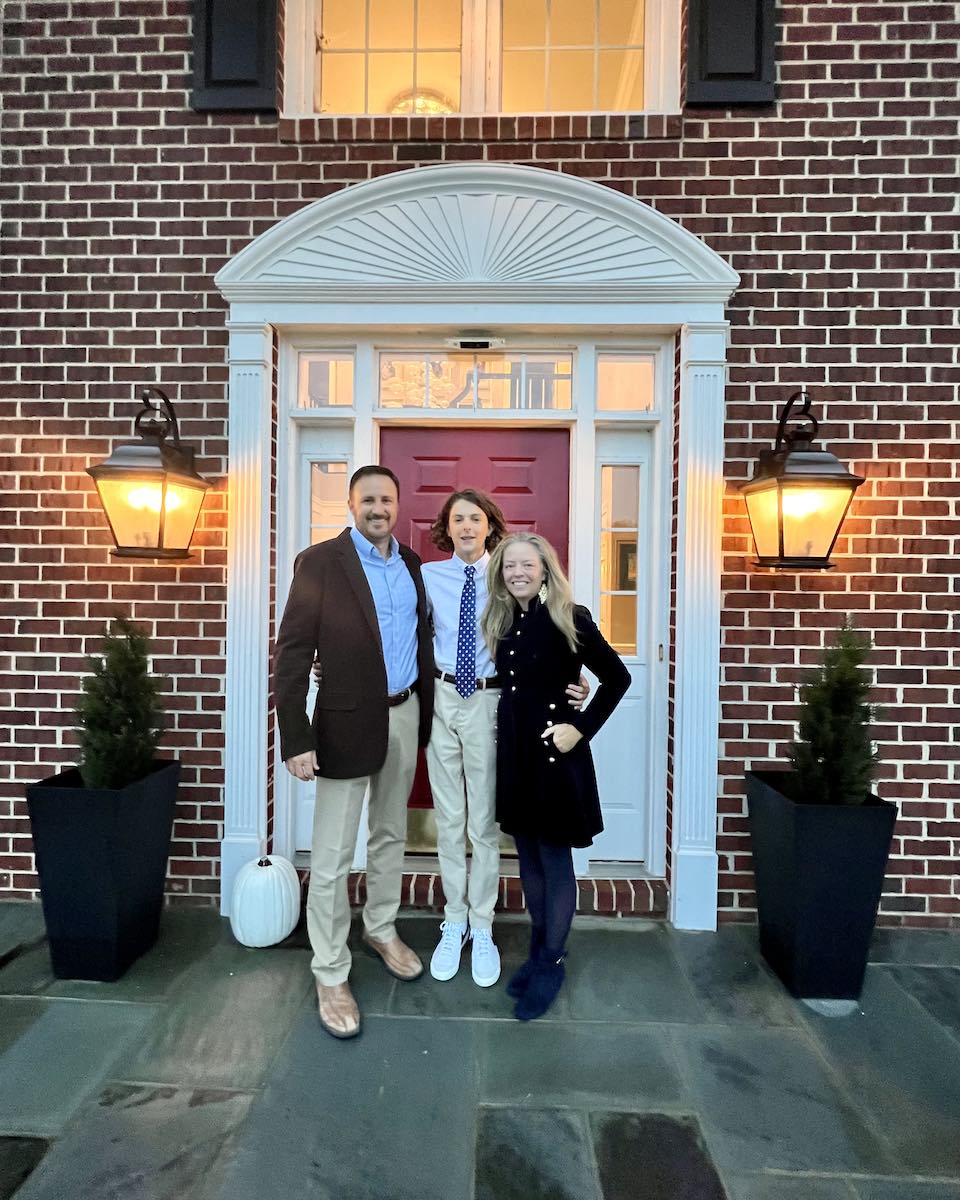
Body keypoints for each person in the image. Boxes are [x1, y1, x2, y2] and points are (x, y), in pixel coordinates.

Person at [273, 465, 435, 1040]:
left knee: (392, 833)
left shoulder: (412, 564)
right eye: (368, 499)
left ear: (397, 505)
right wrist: (294, 737)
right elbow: (292, 653)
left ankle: (382, 927)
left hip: (405, 709)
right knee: (334, 852)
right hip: (343, 723)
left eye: (387, 499)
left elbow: (422, 640)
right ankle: (330, 970)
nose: (378, 508)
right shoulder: (320, 563)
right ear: (350, 503)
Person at [421, 492, 590, 989]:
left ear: (489, 525)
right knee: (449, 819)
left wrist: (573, 681)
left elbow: (551, 634)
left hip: (491, 705)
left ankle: (483, 925)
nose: (468, 527)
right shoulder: (429, 577)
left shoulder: (509, 575)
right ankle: (454, 921)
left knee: (484, 823)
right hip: (442, 697)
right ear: (447, 528)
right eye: (459, 520)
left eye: (476, 518)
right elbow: (396, 630)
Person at [481, 532, 630, 1021]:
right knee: (525, 855)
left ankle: (553, 962)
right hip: (518, 757)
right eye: (509, 567)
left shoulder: (571, 617)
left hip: (554, 756)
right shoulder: (506, 621)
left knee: (553, 858)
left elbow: (618, 678)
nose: (518, 573)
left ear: (546, 570)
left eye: (527, 565)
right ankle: (538, 951)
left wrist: (580, 727)